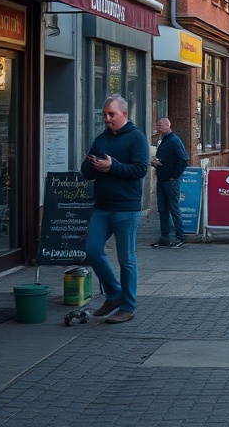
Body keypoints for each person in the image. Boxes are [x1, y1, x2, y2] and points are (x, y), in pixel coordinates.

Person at [81, 95, 150, 323]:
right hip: (102, 208)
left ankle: (128, 306)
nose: (107, 118)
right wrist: (92, 165)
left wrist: (112, 167)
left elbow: (140, 170)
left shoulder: (136, 138)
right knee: (91, 250)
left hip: (126, 209)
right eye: (105, 114)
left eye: (111, 114)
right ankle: (113, 294)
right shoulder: (101, 139)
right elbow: (86, 172)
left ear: (124, 115)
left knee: (126, 258)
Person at [150, 117, 188, 248]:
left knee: (174, 209)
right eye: (157, 125)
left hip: (170, 181)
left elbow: (183, 159)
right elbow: (167, 159)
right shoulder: (164, 140)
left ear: (167, 125)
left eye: (160, 125)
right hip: (162, 179)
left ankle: (180, 237)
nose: (158, 128)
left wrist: (175, 175)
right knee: (162, 210)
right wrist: (157, 163)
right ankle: (164, 237)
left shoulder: (174, 140)